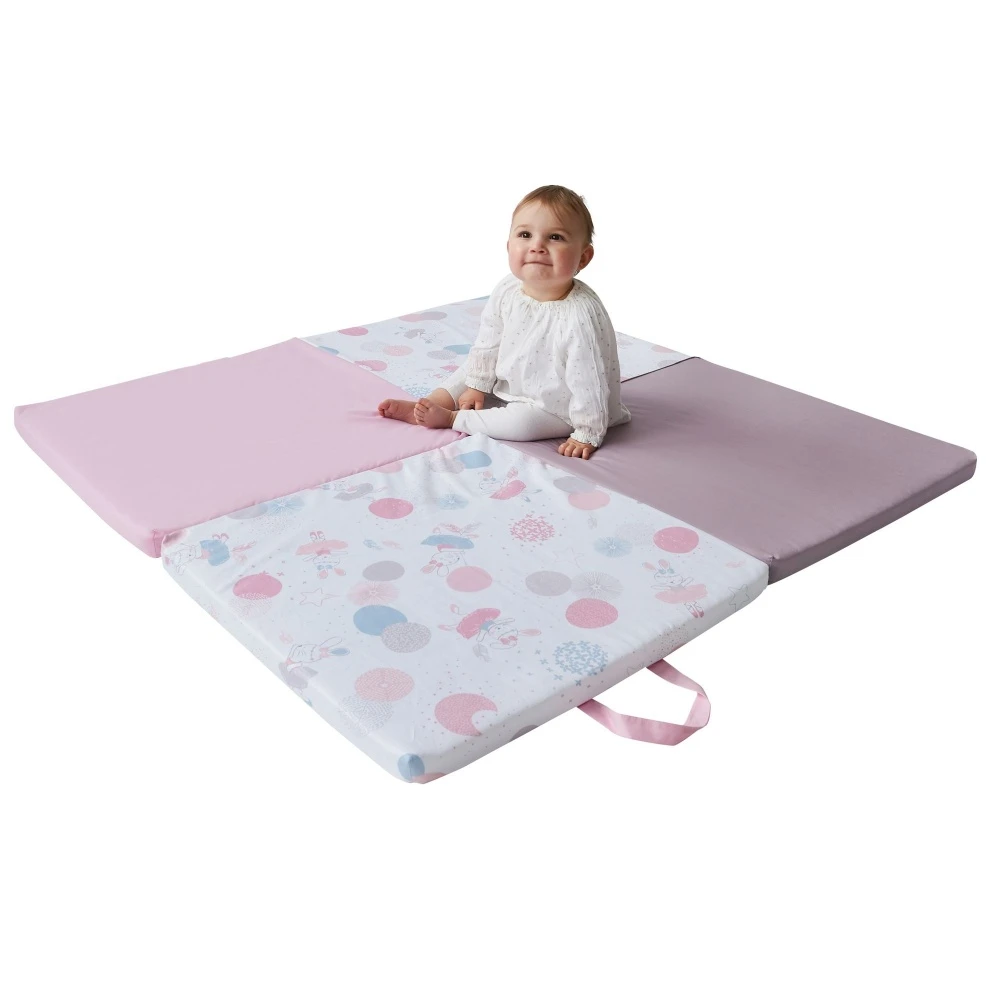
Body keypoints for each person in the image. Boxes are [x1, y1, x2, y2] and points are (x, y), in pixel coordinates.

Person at [378, 184, 630, 460]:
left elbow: (588, 381)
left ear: (583, 257)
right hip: (512, 377)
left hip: (558, 405)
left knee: (523, 424)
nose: (537, 247)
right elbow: (489, 342)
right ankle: (430, 404)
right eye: (525, 235)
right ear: (509, 246)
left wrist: (587, 431)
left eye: (555, 237)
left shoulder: (579, 315)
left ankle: (452, 418)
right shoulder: (508, 289)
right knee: (470, 369)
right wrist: (477, 385)